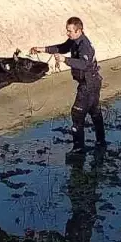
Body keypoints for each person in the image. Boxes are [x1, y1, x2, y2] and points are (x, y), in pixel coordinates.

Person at [31, 17, 105, 152]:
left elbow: (84, 64)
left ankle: (78, 149)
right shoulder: (74, 41)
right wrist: (42, 49)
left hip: (89, 84)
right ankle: (101, 142)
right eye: (67, 30)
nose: (68, 33)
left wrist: (65, 60)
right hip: (92, 82)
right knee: (95, 112)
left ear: (79, 31)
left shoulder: (84, 45)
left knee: (77, 114)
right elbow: (62, 47)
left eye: (70, 31)